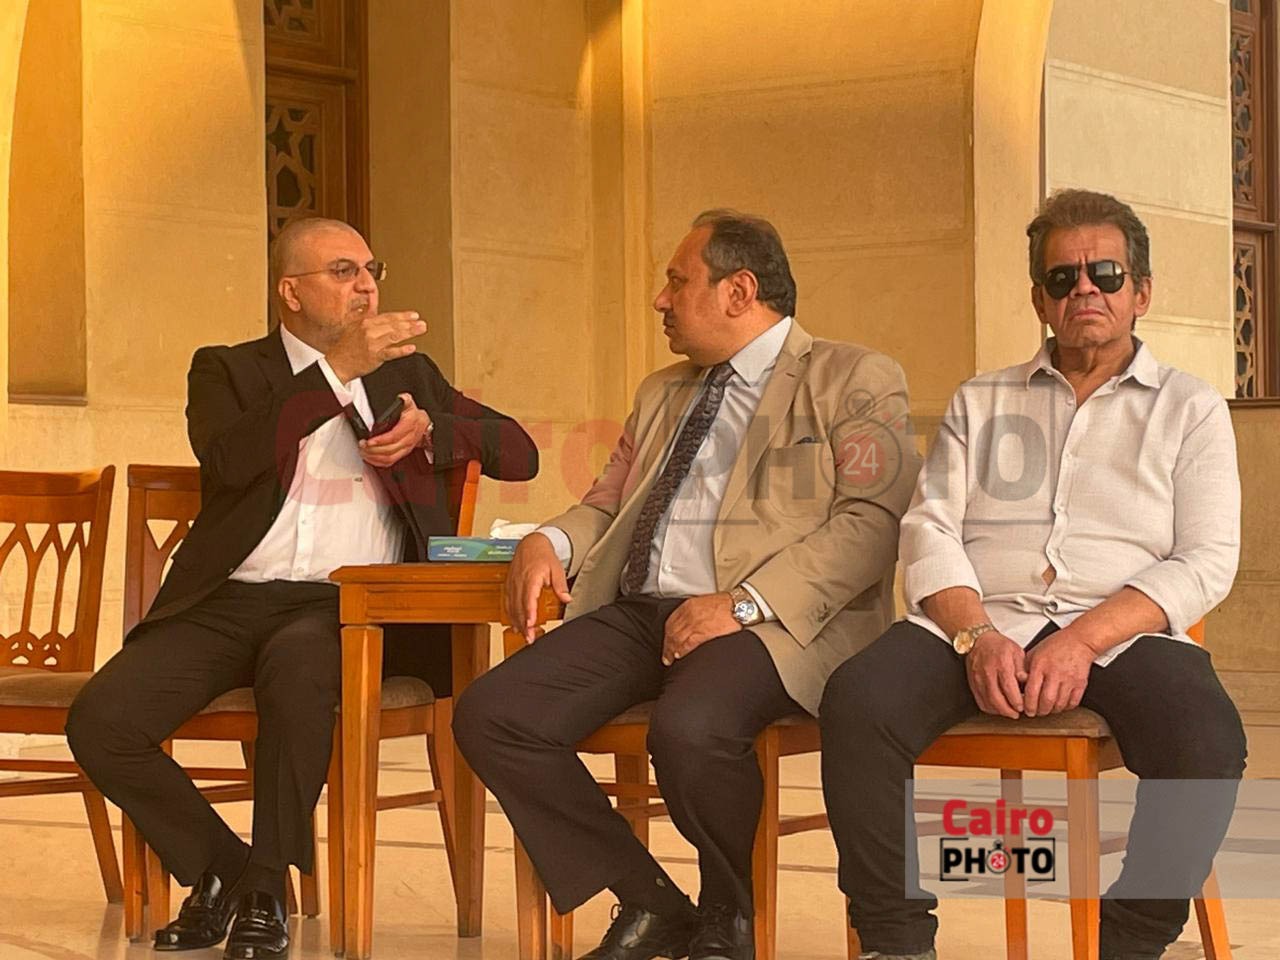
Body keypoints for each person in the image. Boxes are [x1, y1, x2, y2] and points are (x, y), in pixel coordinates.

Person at [67, 217, 538, 960]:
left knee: (297, 670)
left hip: (346, 608)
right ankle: (227, 869)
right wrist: (332, 374)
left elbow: (522, 452)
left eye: (371, 270)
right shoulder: (226, 370)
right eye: (344, 271)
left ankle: (264, 889)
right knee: (101, 720)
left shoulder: (407, 375)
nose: (367, 286)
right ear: (290, 292)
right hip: (226, 603)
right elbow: (230, 460)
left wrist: (430, 431)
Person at [453, 209, 919, 960]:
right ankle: (651, 902)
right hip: (641, 609)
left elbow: (872, 521)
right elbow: (606, 502)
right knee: (492, 714)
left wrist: (741, 603)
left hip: (771, 620)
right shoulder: (663, 390)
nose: (660, 300)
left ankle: (729, 913)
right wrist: (549, 539)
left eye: (677, 281)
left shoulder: (852, 377)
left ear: (739, 291)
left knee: (690, 728)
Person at [819, 189, 1247, 960]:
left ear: (1141, 292)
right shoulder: (982, 400)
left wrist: (1082, 640)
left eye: (1106, 274)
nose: (1084, 289)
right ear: (1039, 300)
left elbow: (1207, 558)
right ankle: (896, 941)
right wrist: (975, 636)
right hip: (983, 621)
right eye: (1062, 277)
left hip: (1121, 631)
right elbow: (929, 527)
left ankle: (1132, 942)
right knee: (857, 702)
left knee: (1207, 742)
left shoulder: (1190, 408)